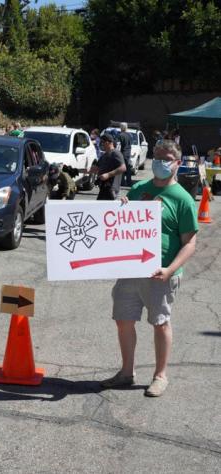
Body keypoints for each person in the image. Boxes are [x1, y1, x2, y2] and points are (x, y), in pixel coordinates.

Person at [101, 140, 198, 397]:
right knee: (123, 320)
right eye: (156, 156)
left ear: (177, 164)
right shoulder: (139, 188)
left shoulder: (183, 200)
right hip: (130, 270)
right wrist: (121, 205)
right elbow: (121, 223)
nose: (160, 162)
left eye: (166, 158)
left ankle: (160, 375)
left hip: (160, 275)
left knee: (160, 323)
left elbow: (190, 243)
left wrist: (169, 270)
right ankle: (126, 372)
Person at [90, 133, 126, 200]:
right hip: (103, 188)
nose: (101, 144)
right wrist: (76, 170)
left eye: (102, 142)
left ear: (108, 142)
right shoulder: (104, 155)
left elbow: (123, 168)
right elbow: (95, 169)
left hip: (111, 189)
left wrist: (108, 175)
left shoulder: (116, 153)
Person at [119, 122, 132, 187]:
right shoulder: (129, 135)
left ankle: (122, 182)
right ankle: (129, 182)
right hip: (128, 153)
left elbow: (119, 146)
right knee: (128, 168)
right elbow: (130, 144)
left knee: (121, 168)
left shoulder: (120, 135)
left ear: (121, 127)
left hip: (122, 153)